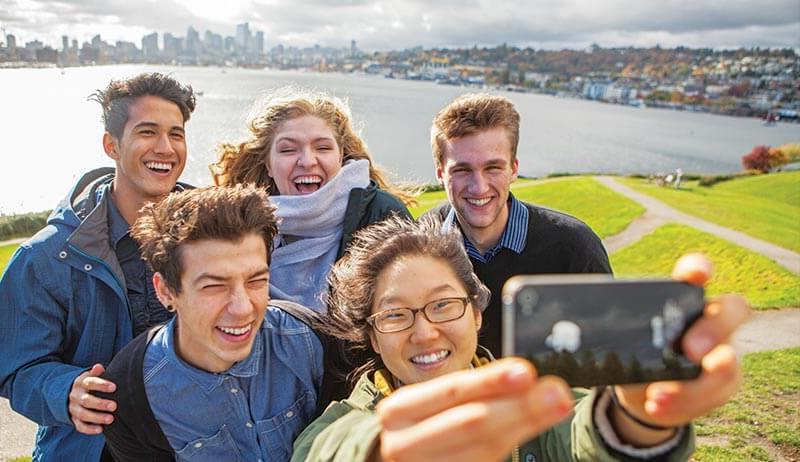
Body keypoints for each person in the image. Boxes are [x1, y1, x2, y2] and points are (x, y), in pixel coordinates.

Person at [292, 217, 750, 462]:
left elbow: (577, 433)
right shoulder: (336, 426)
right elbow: (328, 452)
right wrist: (383, 453)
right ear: (372, 337)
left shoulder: (534, 398)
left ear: (475, 312)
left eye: (443, 305)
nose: (424, 330)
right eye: (394, 315)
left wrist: (636, 417)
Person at [0, 72, 196, 461]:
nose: (166, 148)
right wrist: (66, 389)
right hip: (92, 451)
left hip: (195, 445)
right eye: (147, 132)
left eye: (176, 134)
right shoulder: (46, 257)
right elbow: (17, 370)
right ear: (111, 145)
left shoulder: (214, 237)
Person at [98, 185, 326, 461]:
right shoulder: (130, 396)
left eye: (256, 281)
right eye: (214, 287)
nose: (243, 308)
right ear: (166, 290)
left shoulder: (313, 340)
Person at [424, 93, 612, 355]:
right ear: (440, 173)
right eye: (462, 170)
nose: (479, 187)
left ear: (514, 169)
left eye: (493, 168)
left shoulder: (574, 248)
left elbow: (606, 350)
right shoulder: (419, 244)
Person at [211, 87, 415, 312]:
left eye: (323, 147)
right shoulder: (240, 224)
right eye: (288, 150)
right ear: (268, 165)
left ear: (341, 156)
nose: (307, 161)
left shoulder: (381, 214)